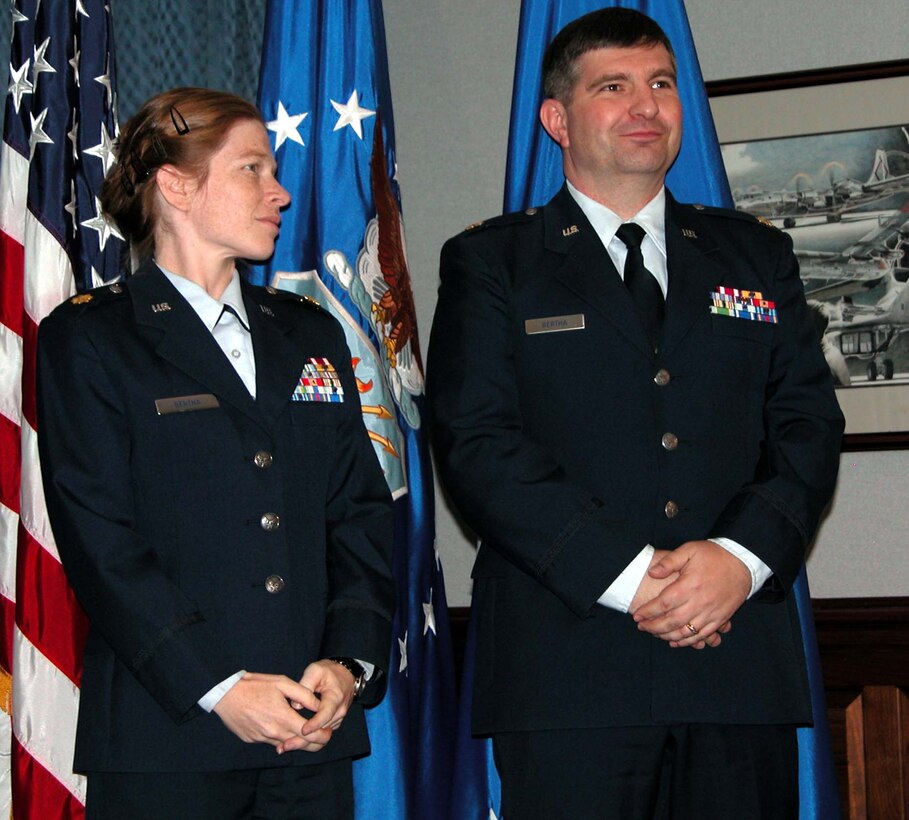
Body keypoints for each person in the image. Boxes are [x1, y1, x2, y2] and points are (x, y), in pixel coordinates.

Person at [427, 9, 843, 819]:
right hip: (568, 670)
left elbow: (807, 425)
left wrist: (737, 559)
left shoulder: (753, 255)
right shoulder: (493, 262)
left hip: (733, 663)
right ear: (557, 120)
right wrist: (632, 580)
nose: (645, 106)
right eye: (612, 87)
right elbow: (477, 444)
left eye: (660, 84)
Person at [36, 87, 395, 820]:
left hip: (309, 732)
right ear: (176, 186)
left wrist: (346, 662)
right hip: (168, 738)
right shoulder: (94, 337)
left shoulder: (308, 332)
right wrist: (219, 686)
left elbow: (357, 511)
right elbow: (100, 540)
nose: (280, 193)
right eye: (252, 169)